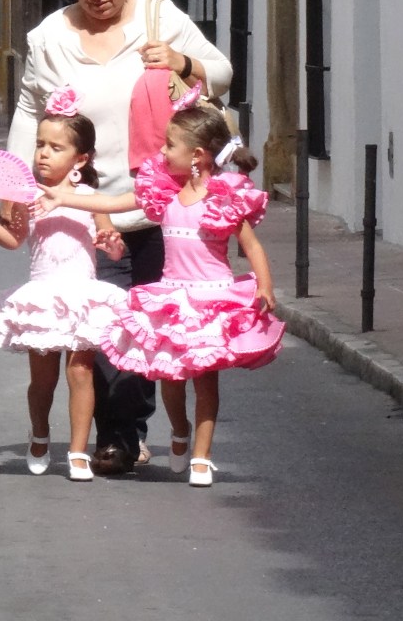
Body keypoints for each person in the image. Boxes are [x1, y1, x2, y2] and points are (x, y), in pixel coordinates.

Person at [4, 0, 233, 475]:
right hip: (84, 208)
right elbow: (30, 112)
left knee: (147, 321)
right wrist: (14, 186)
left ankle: (130, 427)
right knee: (102, 326)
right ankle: (115, 437)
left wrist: (181, 63)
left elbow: (221, 72)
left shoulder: (162, 18)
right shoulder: (49, 38)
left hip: (160, 204)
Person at [36, 96, 284, 486]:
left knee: (206, 379)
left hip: (211, 299)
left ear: (198, 155)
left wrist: (265, 287)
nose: (162, 151)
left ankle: (202, 457)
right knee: (171, 378)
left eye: (170, 145)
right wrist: (63, 196)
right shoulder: (164, 192)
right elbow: (114, 201)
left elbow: (251, 245)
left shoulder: (224, 197)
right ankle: (180, 430)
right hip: (173, 298)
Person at [0, 86, 127, 480]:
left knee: (81, 370)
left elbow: (113, 246)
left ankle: (77, 452)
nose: (42, 154)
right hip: (44, 297)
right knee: (43, 379)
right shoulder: (26, 196)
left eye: (55, 147)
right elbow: (12, 240)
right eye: (40, 144)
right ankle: (39, 433)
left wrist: (112, 243)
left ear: (80, 158)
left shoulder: (91, 197)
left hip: (83, 295)